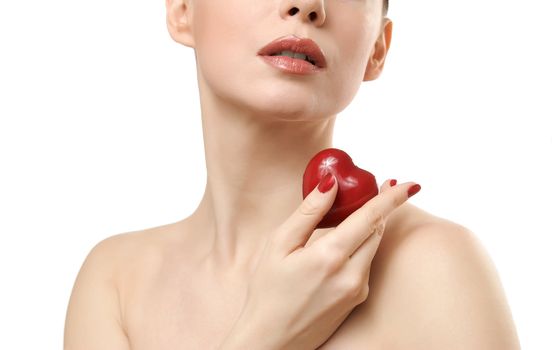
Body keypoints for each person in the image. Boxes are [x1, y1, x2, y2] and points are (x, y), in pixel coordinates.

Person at [64, 0, 521, 349]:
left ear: (377, 50)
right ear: (183, 10)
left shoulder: (432, 266)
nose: (305, 5)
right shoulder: (115, 282)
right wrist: (263, 334)